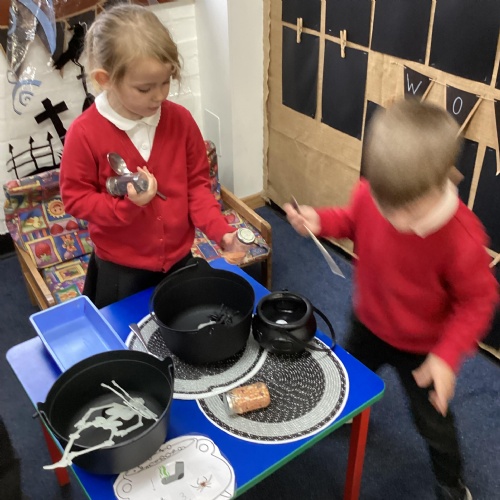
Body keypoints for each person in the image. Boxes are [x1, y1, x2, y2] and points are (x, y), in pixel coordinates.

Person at [285, 99, 498, 500]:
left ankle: (451, 483)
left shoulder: (462, 238)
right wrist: (320, 220)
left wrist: (447, 356)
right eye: (384, 204)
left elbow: (477, 302)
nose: (393, 218)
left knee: (433, 424)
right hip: (368, 321)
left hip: (423, 350)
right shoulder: (374, 195)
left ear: (439, 182)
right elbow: (352, 220)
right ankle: (347, 415)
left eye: (406, 208)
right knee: (347, 378)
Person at [60, 3, 249, 308]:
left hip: (178, 261)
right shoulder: (84, 134)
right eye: (145, 88)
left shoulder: (181, 120)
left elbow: (198, 187)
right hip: (120, 270)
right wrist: (126, 207)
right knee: (127, 336)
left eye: (166, 82)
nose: (160, 95)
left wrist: (221, 232)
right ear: (105, 79)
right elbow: (75, 199)